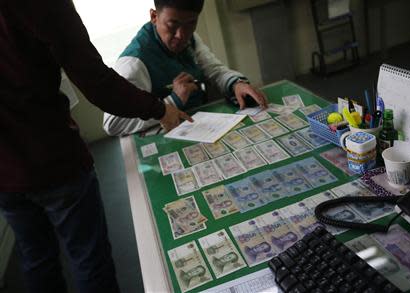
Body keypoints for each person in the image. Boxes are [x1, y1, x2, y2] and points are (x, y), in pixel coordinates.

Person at [0, 1, 191, 292]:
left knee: (36, 259)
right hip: (54, 160)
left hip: (5, 171)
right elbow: (96, 81)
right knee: (89, 260)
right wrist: (161, 109)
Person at [103, 0, 268, 136]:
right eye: (172, 25)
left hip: (200, 127)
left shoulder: (189, 38)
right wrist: (171, 102)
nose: (181, 35)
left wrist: (236, 84)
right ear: (154, 16)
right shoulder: (133, 63)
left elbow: (214, 70)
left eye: (191, 23)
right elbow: (113, 124)